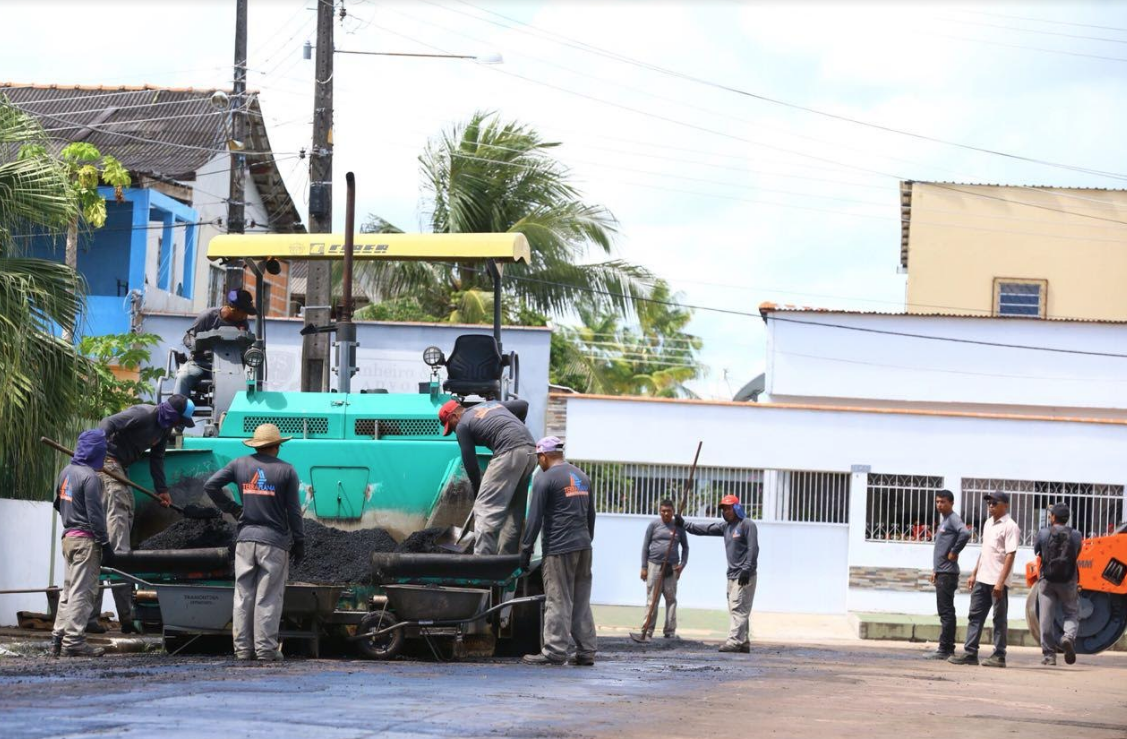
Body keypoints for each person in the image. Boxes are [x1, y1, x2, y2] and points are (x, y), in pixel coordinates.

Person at [205, 423, 305, 661]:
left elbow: (211, 485)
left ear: (256, 445)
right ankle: (265, 649)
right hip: (274, 542)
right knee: (267, 596)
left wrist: (233, 508)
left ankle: (242, 650)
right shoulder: (287, 471)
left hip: (245, 541)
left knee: (243, 595)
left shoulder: (239, 464)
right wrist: (299, 540)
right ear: (277, 446)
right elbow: (293, 511)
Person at [97, 395, 194, 631]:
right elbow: (108, 423)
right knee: (120, 509)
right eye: (180, 421)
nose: (179, 426)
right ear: (172, 414)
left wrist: (162, 490)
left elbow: (157, 458)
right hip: (107, 460)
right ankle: (118, 559)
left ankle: (118, 609)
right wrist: (94, 451)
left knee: (125, 509)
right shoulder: (143, 414)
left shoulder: (164, 430)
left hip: (122, 465)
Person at [519, 436, 596, 666]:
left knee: (558, 598)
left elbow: (534, 518)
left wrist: (525, 549)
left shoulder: (545, 479)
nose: (538, 462)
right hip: (584, 546)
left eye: (538, 458)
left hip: (559, 548)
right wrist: (585, 540)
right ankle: (586, 651)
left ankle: (554, 650)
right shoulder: (582, 476)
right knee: (581, 599)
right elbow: (591, 516)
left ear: (544, 456)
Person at [438, 398, 536, 556]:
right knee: (514, 512)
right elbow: (523, 405)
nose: (455, 431)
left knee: (485, 510)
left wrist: (478, 492)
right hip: (530, 450)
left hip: (509, 450)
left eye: (451, 427)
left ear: (454, 416)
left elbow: (470, 462)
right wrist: (516, 427)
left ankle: (482, 563)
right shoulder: (490, 405)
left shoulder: (462, 425)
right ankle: (506, 562)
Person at [50, 430, 111, 658]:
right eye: (103, 451)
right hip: (86, 541)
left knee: (69, 591)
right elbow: (96, 516)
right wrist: (105, 543)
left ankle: (57, 638)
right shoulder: (91, 477)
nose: (105, 456)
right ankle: (74, 641)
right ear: (96, 451)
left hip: (68, 539)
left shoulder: (65, 472)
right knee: (82, 593)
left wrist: (72, 519)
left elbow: (57, 504)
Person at [676, 494, 758, 654]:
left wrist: (747, 569)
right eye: (723, 509)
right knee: (738, 608)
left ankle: (734, 642)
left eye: (728, 508)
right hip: (732, 575)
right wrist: (684, 524)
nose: (725, 512)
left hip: (744, 575)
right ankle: (743, 641)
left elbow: (753, 548)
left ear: (736, 508)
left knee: (738, 608)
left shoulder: (747, 524)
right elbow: (704, 529)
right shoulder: (726, 527)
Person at [949, 491, 1020, 668]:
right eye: (989, 503)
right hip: (982, 578)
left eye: (995, 503)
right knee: (975, 616)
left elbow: (1010, 555)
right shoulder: (988, 523)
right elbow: (985, 551)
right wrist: (974, 573)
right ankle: (970, 653)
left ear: (1005, 505)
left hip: (997, 581)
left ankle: (999, 655)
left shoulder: (1010, 526)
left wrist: (1000, 582)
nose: (990, 506)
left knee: (999, 619)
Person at [173, 288, 255, 397]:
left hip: (228, 367)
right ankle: (177, 406)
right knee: (183, 377)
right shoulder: (208, 317)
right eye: (244, 313)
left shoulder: (243, 324)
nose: (245, 316)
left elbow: (245, 347)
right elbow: (188, 337)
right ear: (233, 308)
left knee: (236, 383)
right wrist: (196, 345)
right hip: (200, 363)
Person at [1034, 503, 1083, 666]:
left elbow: (1037, 551)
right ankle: (1068, 637)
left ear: (1053, 517)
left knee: (1046, 618)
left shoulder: (1043, 533)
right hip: (1068, 580)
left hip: (1047, 581)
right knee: (1071, 613)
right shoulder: (1076, 535)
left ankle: (1049, 655)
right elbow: (1077, 554)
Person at [923, 489, 970, 660]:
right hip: (942, 572)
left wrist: (954, 551)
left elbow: (965, 533)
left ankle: (945, 649)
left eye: (943, 502)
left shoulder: (953, 519)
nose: (939, 505)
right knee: (945, 611)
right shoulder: (945, 521)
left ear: (951, 503)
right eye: (937, 502)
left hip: (948, 574)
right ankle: (947, 647)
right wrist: (935, 570)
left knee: (946, 612)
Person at [639, 498, 689, 640]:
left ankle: (670, 631)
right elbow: (645, 546)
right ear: (659, 511)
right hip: (654, 565)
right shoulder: (653, 525)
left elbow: (685, 547)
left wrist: (682, 565)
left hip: (672, 567)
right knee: (652, 599)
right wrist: (644, 567)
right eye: (663, 511)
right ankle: (647, 631)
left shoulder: (678, 526)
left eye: (668, 511)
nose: (666, 513)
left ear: (673, 511)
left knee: (671, 599)